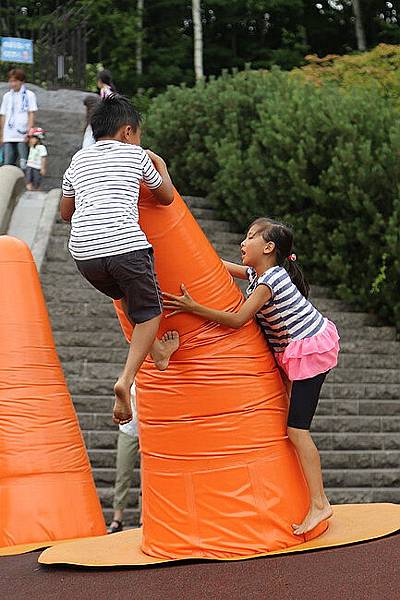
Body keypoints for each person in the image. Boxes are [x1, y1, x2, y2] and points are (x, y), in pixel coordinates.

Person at [163, 217, 340, 535]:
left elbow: (237, 320)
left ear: (268, 247)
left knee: (297, 431)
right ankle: (306, 494)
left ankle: (319, 503)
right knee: (290, 428)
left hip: (310, 351)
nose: (243, 243)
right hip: (295, 353)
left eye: (250, 237)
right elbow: (215, 264)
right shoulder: (256, 274)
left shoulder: (269, 280)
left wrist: (192, 306)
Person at [60, 95, 179, 426]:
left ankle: (156, 351)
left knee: (127, 296)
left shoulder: (77, 161)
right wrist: (162, 168)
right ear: (128, 131)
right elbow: (166, 197)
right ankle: (125, 380)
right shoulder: (136, 155)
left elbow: (65, 213)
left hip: (84, 255)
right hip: (124, 246)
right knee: (152, 310)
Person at [108, 385, 140, 534]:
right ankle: (117, 518)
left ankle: (144, 519)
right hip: (129, 429)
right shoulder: (130, 378)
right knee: (123, 473)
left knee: (149, 477)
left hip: (152, 429)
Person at [0, 68, 37, 170]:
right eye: (11, 81)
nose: (13, 84)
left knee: (23, 163)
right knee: (7, 163)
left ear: (22, 81)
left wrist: (29, 131)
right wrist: (2, 134)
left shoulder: (29, 95)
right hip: (9, 134)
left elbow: (31, 113)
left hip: (22, 133)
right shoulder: (7, 96)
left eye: (15, 81)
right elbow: (3, 115)